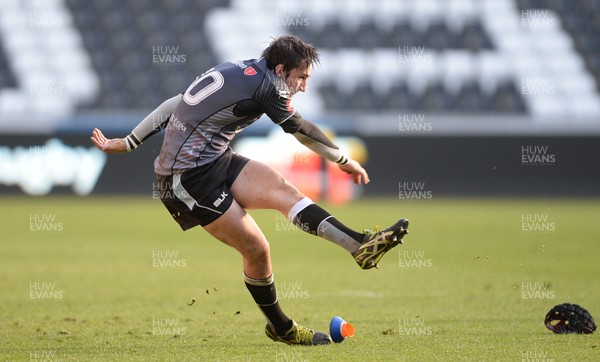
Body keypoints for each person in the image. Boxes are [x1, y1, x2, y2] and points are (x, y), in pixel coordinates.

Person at [91, 35, 408, 346]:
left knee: (283, 190)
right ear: (282, 70)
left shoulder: (243, 69)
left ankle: (359, 245)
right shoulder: (268, 85)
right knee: (258, 250)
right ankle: (282, 328)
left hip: (216, 159)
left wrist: (130, 141)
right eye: (301, 78)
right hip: (185, 178)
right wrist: (342, 159)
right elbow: (299, 128)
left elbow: (175, 103)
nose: (304, 87)